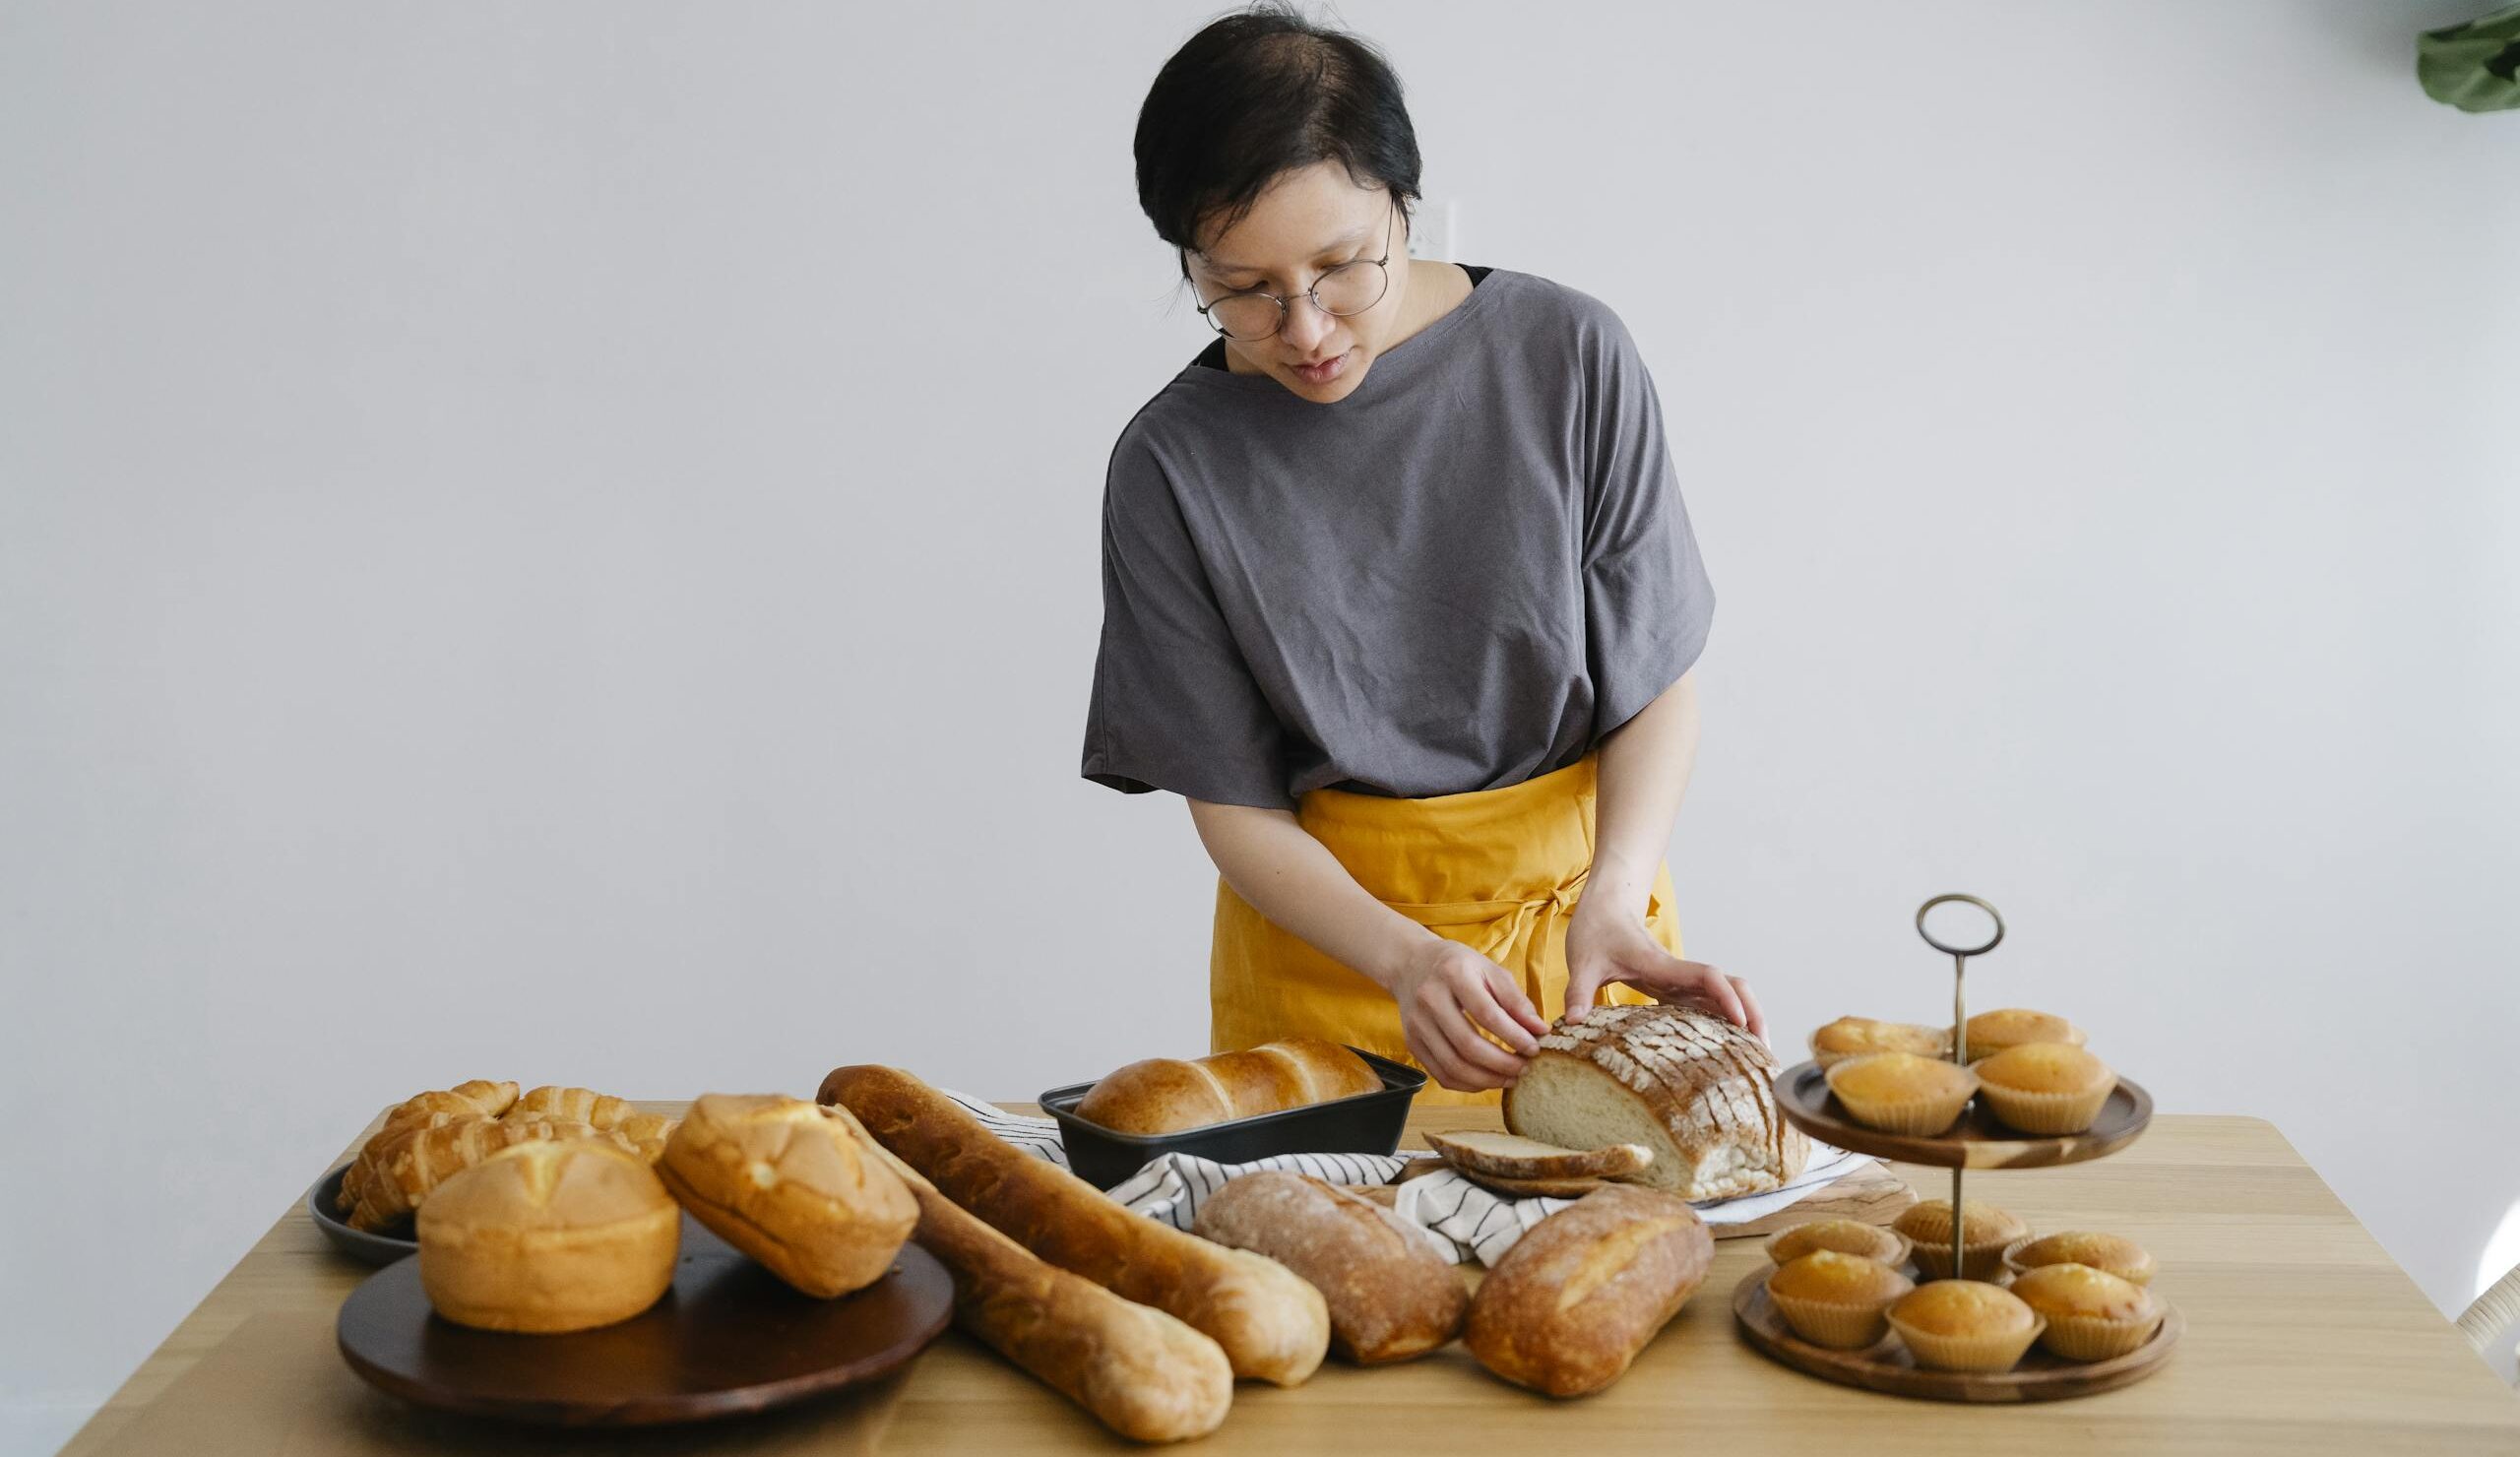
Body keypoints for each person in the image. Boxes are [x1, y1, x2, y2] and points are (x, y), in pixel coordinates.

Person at [1082, 5, 1762, 1104]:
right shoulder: (1170, 463)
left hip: (1589, 946)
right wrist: (1404, 956)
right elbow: (1235, 806)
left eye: (1342, 265)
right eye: (1244, 289)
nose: (1304, 329)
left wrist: (1615, 896)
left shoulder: (1569, 354)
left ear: (1405, 205)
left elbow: (1655, 685)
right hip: (1327, 975)